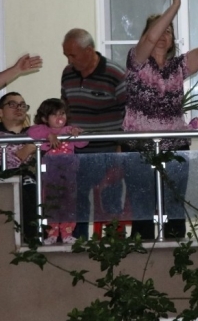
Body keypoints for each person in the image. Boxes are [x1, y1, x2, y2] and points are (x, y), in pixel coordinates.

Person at [122, 0, 198, 240]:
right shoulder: (136, 60)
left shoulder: (178, 67)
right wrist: (175, 6)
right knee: (142, 209)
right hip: (138, 146)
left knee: (174, 208)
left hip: (174, 145)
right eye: (160, 29)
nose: (162, 35)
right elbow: (150, 37)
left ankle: (175, 257)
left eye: (169, 31)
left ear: (172, 41)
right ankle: (142, 258)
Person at [60, 28, 127, 239]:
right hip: (77, 151)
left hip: (108, 151)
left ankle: (115, 245)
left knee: (111, 202)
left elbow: (129, 115)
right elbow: (65, 108)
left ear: (89, 51)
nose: (69, 61)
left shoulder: (115, 74)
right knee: (77, 201)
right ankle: (77, 243)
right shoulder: (67, 74)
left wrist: (120, 153)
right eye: (67, 55)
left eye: (73, 55)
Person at [0, 92, 38, 243]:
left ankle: (33, 238)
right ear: (0, 112)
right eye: (12, 104)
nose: (19, 108)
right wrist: (23, 153)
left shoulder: (34, 133)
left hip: (26, 177)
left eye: (22, 105)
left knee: (30, 187)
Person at [28, 98, 87, 245]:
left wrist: (76, 133)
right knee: (50, 205)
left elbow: (83, 143)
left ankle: (67, 233)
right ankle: (52, 233)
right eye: (54, 114)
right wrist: (49, 135)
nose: (60, 117)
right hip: (50, 178)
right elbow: (31, 132)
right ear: (44, 118)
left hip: (69, 178)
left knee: (69, 205)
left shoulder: (68, 130)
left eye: (62, 113)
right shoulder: (42, 131)